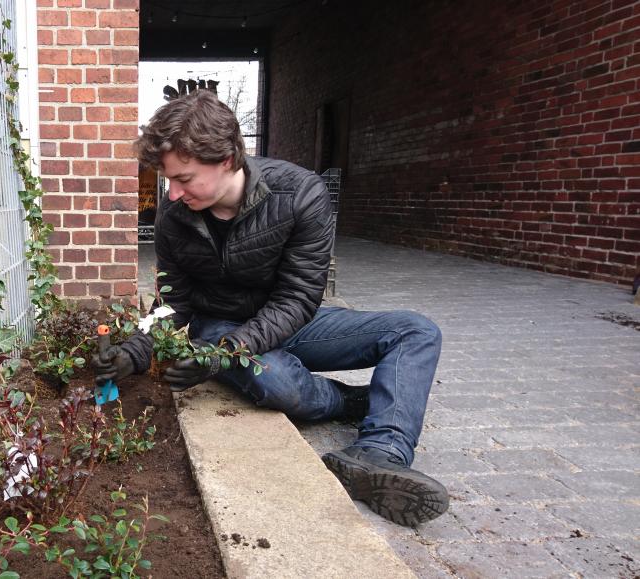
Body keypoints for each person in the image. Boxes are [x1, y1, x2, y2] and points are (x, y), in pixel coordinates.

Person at [92, 90, 449, 527]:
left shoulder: (299, 194)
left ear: (225, 159)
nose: (172, 192)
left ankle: (380, 454)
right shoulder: (174, 215)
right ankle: (354, 402)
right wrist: (134, 351)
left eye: (184, 178)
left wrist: (228, 354)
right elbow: (173, 301)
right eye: (168, 179)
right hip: (218, 325)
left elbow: (298, 298)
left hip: (291, 320)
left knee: (416, 330)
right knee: (278, 380)